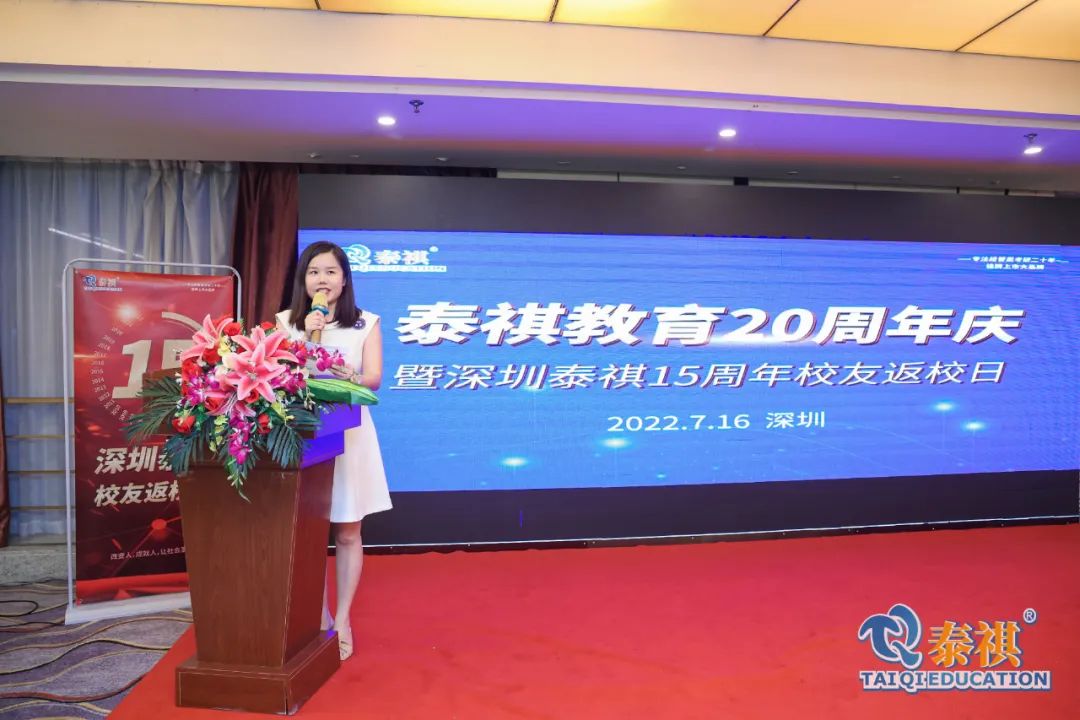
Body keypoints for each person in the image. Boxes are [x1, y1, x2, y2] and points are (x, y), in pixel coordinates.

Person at [275, 241, 391, 661]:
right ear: (303, 281)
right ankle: (317, 616)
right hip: (301, 434)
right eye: (313, 272)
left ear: (344, 279)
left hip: (349, 433)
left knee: (346, 530)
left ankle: (342, 620)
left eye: (330, 272)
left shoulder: (365, 323)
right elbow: (274, 376)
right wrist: (302, 345)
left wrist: (349, 375)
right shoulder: (286, 323)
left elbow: (374, 379)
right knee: (307, 533)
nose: (321, 280)